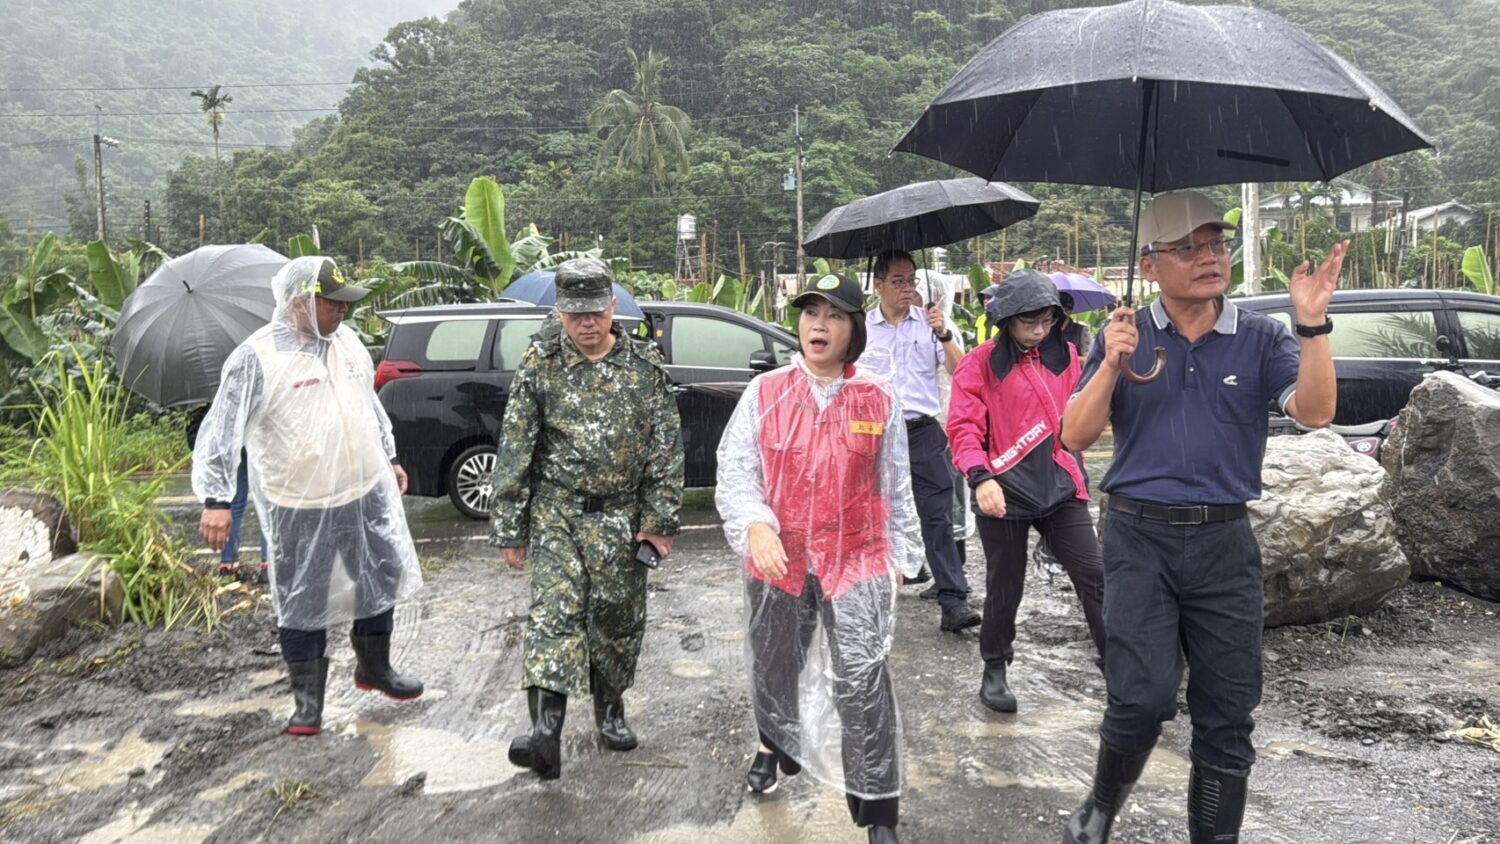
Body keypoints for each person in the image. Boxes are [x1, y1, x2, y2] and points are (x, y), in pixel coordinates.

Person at [1059, 191, 1341, 844]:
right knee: (1143, 697)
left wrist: (1313, 325)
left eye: (1215, 243)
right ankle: (1101, 804)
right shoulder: (1128, 334)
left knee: (1228, 710)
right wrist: (1111, 363)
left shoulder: (1260, 336)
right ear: (1151, 264)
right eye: (1188, 247)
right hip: (1138, 536)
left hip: (1225, 539)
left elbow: (1317, 412)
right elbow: (1074, 436)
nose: (1209, 257)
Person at [717, 271, 921, 844]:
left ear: (853, 327)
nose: (818, 325)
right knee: (775, 663)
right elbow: (736, 471)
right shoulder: (767, 393)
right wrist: (755, 524)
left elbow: (896, 482)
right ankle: (773, 743)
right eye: (810, 314)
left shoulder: (876, 397)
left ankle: (878, 808)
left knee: (863, 679)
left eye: (833, 315)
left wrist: (901, 558)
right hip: (779, 558)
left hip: (857, 558)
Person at [193, 256, 424, 737]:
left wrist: (390, 457)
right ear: (300, 302)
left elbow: (370, 407)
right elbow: (221, 433)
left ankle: (374, 667)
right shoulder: (256, 358)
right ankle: (307, 701)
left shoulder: (347, 344)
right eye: (332, 303)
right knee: (303, 596)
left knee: (379, 577)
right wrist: (217, 501)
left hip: (361, 491)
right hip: (297, 504)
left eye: (344, 303)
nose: (342, 311)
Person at [491, 257, 684, 781]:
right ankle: (545, 735)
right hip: (558, 515)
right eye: (575, 315)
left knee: (615, 622)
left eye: (595, 313)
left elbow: (665, 450)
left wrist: (659, 522)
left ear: (612, 306)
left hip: (620, 519)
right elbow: (516, 447)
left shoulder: (644, 368)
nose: (586, 325)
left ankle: (610, 710)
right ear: (560, 312)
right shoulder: (541, 364)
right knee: (553, 616)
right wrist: (511, 525)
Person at [946, 269, 1108, 714]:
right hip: (1002, 491)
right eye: (1027, 323)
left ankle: (1119, 662)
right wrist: (980, 477)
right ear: (1007, 321)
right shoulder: (978, 364)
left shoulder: (1070, 357)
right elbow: (962, 428)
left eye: (1045, 322)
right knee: (1005, 586)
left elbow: (1092, 406)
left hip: (1060, 484)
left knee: (1094, 574)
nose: (1037, 332)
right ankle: (995, 667)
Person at [862, 250, 980, 633]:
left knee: (937, 516)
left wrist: (943, 332)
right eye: (897, 281)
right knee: (873, 516)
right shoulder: (862, 328)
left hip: (923, 431)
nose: (907, 288)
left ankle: (953, 601)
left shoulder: (929, 323)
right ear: (877, 284)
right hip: (875, 434)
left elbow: (961, 372)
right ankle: (871, 596)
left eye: (911, 279)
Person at [188, 406, 267, 581]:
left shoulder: (218, 383)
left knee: (234, 502)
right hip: (261, 431)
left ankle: (228, 563)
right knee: (267, 500)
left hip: (232, 435)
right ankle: (268, 564)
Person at [1057, 292, 1094, 358]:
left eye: (1065, 310)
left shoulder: (1081, 330)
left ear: (1070, 311)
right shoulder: (1046, 329)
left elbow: (1088, 359)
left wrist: (1067, 359)